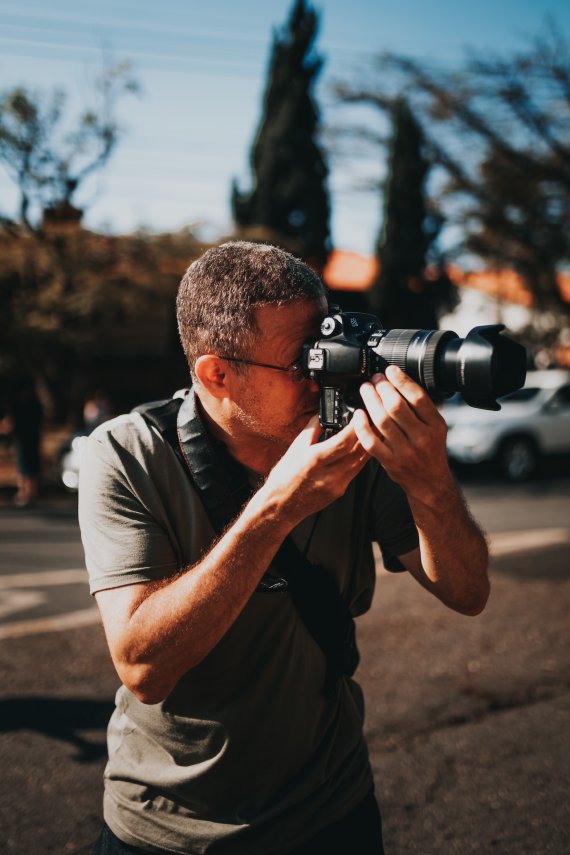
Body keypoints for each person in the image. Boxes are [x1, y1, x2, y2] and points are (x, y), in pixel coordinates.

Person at [79, 241, 489, 855]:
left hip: (332, 809)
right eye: (304, 360)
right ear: (218, 374)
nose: (331, 370)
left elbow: (467, 592)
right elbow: (144, 668)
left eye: (331, 340)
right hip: (169, 828)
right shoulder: (128, 454)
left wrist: (429, 480)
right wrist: (277, 508)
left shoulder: (355, 439)